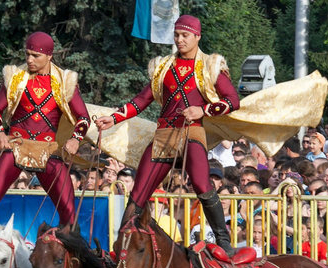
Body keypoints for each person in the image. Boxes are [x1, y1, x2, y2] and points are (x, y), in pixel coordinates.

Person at [95, 15, 240, 253]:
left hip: (192, 131)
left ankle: (223, 240)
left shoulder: (211, 65)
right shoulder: (163, 67)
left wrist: (203, 110)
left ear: (197, 36)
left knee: (201, 183)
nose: (180, 40)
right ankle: (121, 245)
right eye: (177, 35)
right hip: (163, 135)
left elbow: (233, 100)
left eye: (185, 35)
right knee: (139, 192)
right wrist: (114, 118)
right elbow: (141, 100)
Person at [0, 31, 91, 268]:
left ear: (49, 56)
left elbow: (83, 118)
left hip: (48, 151)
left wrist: (75, 139)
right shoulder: (16, 77)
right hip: (15, 147)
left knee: (69, 210)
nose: (29, 59)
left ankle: (78, 266)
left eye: (35, 55)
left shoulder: (65, 81)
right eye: (27, 54)